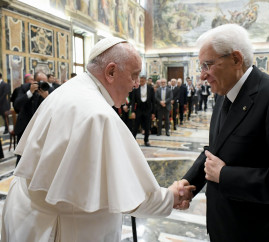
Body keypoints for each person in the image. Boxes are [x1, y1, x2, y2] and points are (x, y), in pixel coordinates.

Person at [1, 37, 194, 242]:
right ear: (111, 72)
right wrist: (171, 197)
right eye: (134, 76)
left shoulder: (70, 89)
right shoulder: (98, 114)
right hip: (64, 230)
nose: (137, 84)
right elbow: (134, 198)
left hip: (27, 216)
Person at [178, 24, 269, 241]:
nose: (202, 76)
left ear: (236, 59)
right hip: (224, 229)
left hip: (261, 234)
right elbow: (216, 149)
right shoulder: (223, 94)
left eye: (207, 65)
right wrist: (189, 183)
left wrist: (226, 175)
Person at [14, 71, 54, 166]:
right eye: (39, 81)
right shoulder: (25, 88)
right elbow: (17, 104)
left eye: (44, 81)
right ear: (34, 81)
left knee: (38, 157)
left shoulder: (50, 89)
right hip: (24, 126)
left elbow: (57, 108)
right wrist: (30, 92)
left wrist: (47, 97)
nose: (42, 84)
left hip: (41, 128)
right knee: (21, 156)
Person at [131, 75, 155, 146]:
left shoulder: (150, 88)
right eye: (140, 81)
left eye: (142, 81)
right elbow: (133, 101)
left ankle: (146, 140)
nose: (141, 82)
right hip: (139, 109)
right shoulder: (136, 88)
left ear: (145, 80)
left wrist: (153, 112)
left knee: (147, 126)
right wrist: (132, 111)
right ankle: (133, 140)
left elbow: (153, 101)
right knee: (136, 126)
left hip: (147, 109)